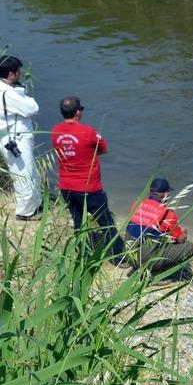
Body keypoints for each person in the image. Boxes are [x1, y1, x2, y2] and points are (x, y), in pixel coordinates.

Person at [51, 96, 125, 261]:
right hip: (89, 188)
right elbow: (104, 149)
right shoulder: (89, 132)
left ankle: (82, 253)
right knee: (106, 223)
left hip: (66, 187)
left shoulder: (55, 131)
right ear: (78, 112)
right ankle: (118, 258)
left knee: (78, 222)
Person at [0, 55, 43, 220]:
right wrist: (21, 93)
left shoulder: (0, 90)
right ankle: (25, 213)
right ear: (11, 74)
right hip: (16, 139)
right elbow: (32, 108)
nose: (19, 74)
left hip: (11, 138)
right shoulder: (7, 93)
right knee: (23, 176)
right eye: (18, 72)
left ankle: (35, 204)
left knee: (28, 172)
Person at [126, 178, 193, 276]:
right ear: (165, 195)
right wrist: (184, 232)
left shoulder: (136, 204)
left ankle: (137, 266)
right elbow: (180, 240)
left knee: (153, 237)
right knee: (189, 247)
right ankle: (154, 273)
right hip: (145, 261)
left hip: (128, 256)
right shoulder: (167, 214)